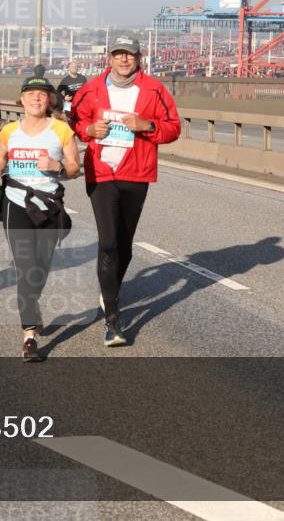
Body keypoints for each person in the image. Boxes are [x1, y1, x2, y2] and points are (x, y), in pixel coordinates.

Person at [69, 35, 181, 347]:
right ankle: (113, 320)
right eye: (118, 55)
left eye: (129, 55)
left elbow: (173, 127)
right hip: (102, 171)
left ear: (138, 57)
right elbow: (75, 120)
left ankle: (110, 293)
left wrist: (146, 126)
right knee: (108, 243)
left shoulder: (154, 89)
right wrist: (89, 131)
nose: (123, 60)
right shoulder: (90, 89)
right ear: (109, 58)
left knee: (125, 245)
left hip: (137, 171)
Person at [0, 74, 80, 361]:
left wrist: (58, 166)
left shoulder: (62, 130)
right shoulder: (9, 130)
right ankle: (29, 335)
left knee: (40, 268)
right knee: (26, 268)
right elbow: (0, 158)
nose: (36, 98)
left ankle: (33, 305)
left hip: (48, 207)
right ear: (22, 99)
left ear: (49, 99)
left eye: (42, 94)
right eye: (31, 94)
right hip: (15, 204)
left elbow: (76, 167)